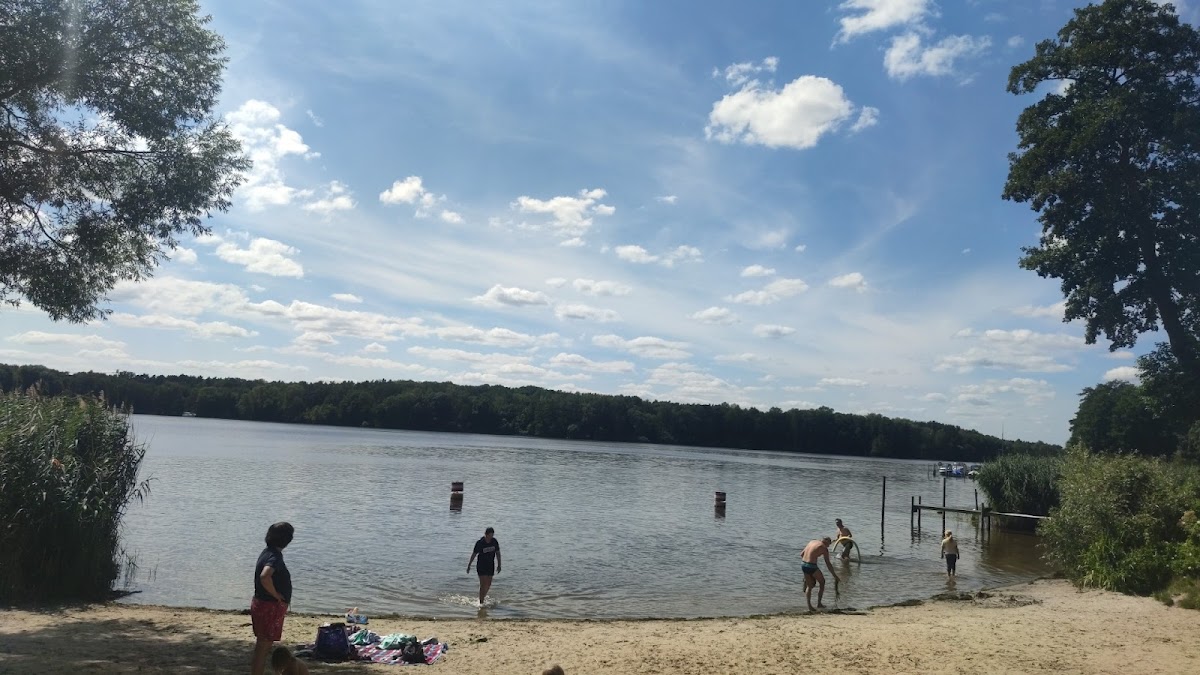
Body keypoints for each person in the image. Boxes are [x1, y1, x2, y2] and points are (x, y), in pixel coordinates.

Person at [251, 522, 295, 675]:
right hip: (269, 606)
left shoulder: (267, 552)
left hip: (261, 603)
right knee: (263, 647)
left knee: (262, 646)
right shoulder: (274, 557)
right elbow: (265, 576)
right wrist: (276, 595)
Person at [800, 537, 840, 611]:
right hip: (811, 566)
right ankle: (819, 603)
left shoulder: (812, 541)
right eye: (829, 544)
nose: (828, 546)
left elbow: (802, 554)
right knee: (822, 582)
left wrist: (811, 557)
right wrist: (835, 575)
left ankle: (809, 606)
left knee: (809, 586)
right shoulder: (823, 548)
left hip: (803, 564)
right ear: (827, 542)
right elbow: (828, 563)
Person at [466, 526, 501, 606]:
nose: (491, 537)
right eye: (490, 535)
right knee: (483, 584)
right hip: (481, 565)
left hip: (490, 565)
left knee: (488, 584)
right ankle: (481, 603)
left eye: (492, 535)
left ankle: (482, 597)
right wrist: (469, 565)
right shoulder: (480, 543)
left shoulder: (494, 542)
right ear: (486, 534)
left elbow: (498, 553)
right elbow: (474, 554)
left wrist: (499, 565)